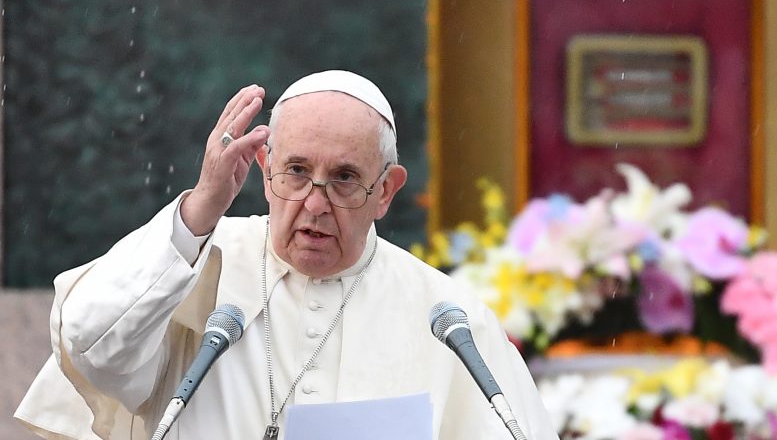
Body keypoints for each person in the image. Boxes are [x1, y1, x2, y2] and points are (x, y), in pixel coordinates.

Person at [16, 71, 557, 440]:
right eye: (297, 172)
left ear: (387, 191)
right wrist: (200, 209)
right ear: (265, 169)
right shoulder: (195, 263)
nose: (315, 204)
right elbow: (91, 344)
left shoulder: (447, 316)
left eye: (345, 178)